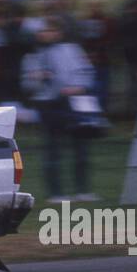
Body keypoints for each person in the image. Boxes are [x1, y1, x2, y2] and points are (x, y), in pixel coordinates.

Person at [20, 18, 96, 202]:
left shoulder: (72, 50)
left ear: (58, 32)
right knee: (52, 149)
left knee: (81, 148)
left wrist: (78, 87)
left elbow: (86, 71)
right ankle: (56, 193)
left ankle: (82, 190)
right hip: (48, 105)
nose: (47, 34)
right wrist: (36, 78)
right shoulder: (31, 57)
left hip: (74, 102)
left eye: (51, 30)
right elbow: (26, 85)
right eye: (44, 31)